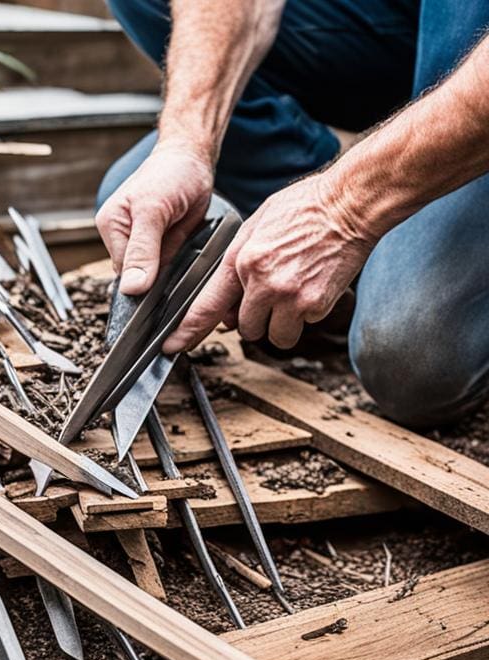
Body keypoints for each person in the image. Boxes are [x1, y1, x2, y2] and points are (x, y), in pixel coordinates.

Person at [95, 0, 489, 428]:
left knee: (410, 356)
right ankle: (330, 188)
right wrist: (186, 142)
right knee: (134, 198)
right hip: (412, 24)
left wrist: (341, 212)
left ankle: (362, 221)